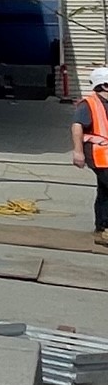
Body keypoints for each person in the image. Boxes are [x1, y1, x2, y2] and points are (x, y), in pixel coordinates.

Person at [72, 65, 108, 249]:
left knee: (104, 191)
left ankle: (102, 228)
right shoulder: (89, 104)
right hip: (99, 155)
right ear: (104, 85)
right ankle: (104, 228)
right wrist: (78, 152)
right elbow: (77, 127)